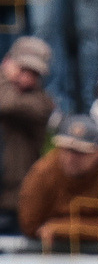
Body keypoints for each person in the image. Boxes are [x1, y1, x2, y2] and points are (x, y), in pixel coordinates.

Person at [18, 113, 98, 252]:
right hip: (48, 257)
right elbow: (29, 224)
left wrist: (60, 228)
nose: (70, 158)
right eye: (65, 149)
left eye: (80, 152)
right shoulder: (43, 173)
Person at [0, 37, 54, 234]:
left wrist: (5, 77)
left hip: (15, 206)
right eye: (23, 69)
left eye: (34, 73)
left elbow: (5, 104)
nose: (27, 78)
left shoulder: (41, 104)